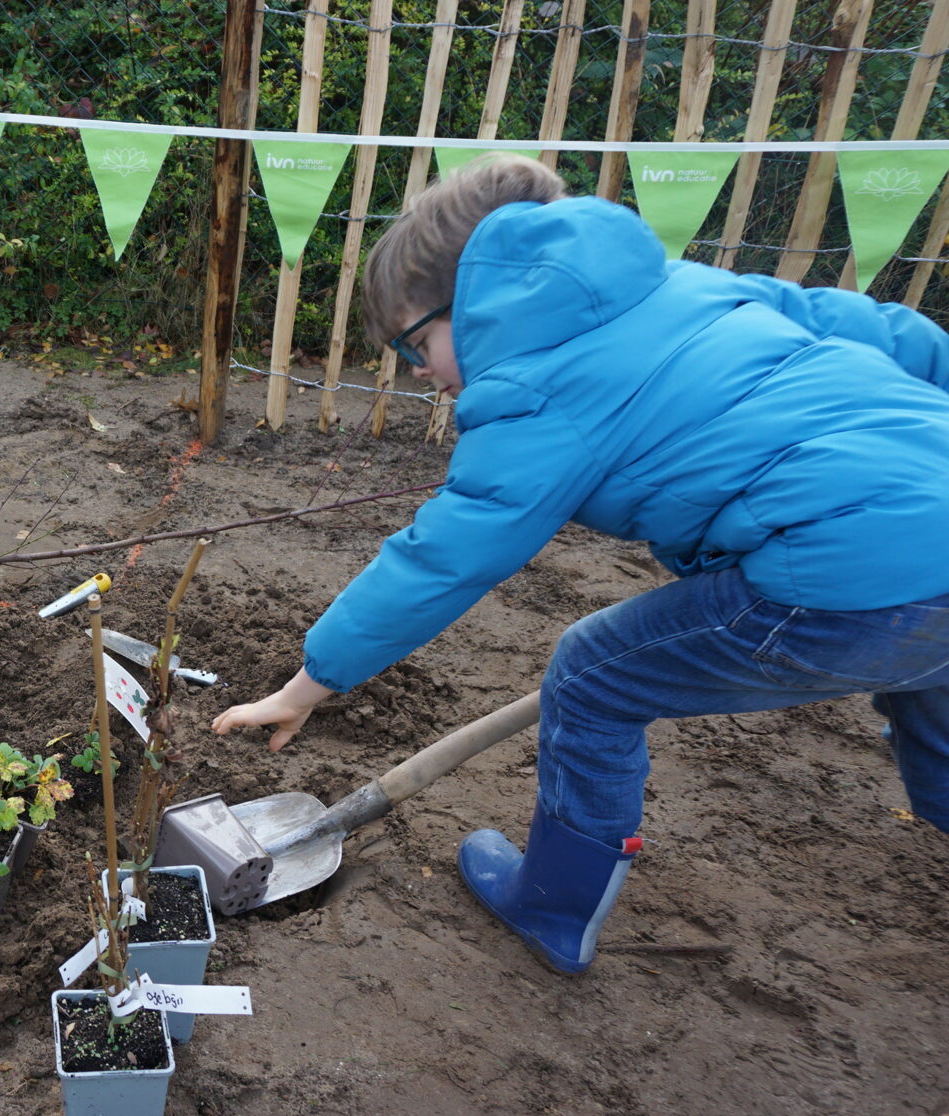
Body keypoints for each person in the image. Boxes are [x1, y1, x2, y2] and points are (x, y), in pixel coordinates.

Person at [212, 154, 949, 974]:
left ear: (476, 306)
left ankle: (553, 910)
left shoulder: (534, 384)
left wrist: (304, 686)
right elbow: (891, 332)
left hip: (842, 572)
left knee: (594, 673)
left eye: (416, 341)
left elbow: (443, 558)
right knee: (934, 674)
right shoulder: (685, 285)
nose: (417, 369)